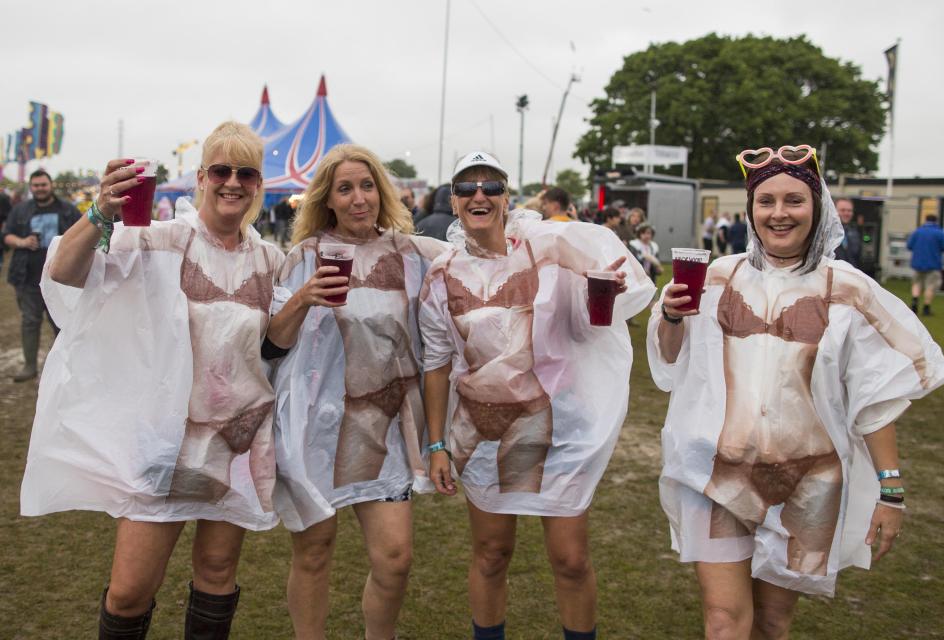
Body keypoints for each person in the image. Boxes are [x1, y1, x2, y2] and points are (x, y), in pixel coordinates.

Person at [647, 144, 944, 639]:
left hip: (808, 482)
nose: (779, 213)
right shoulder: (715, 277)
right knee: (724, 619)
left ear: (818, 207)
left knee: (773, 622)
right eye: (765, 201)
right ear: (750, 211)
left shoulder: (848, 288)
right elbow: (670, 359)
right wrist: (669, 316)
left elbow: (875, 397)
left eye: (794, 200)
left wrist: (891, 492)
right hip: (718, 474)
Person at [20, 122, 285, 638]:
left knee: (215, 576)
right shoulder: (158, 241)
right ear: (202, 178)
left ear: (258, 186)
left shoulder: (269, 259)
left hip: (235, 441)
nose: (234, 182)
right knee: (130, 591)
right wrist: (100, 212)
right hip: (165, 442)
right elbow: (68, 274)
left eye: (246, 173)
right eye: (222, 170)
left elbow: (276, 341)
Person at [420, 151, 655, 640]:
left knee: (570, 559)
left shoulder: (547, 247)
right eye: (466, 187)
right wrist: (438, 443)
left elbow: (601, 307)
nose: (478, 195)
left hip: (557, 428)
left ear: (508, 197)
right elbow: (437, 363)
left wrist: (607, 287)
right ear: (454, 200)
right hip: (481, 434)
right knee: (491, 555)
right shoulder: (441, 274)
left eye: (490, 186)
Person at [268, 143, 448, 640]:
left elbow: (477, 262)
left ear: (381, 192)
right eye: (344, 188)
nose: (358, 198)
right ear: (327, 199)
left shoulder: (413, 255)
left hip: (383, 430)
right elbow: (273, 343)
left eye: (366, 185)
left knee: (395, 559)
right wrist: (303, 299)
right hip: (313, 428)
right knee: (314, 549)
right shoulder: (302, 258)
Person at [2, 169, 81, 382]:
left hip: (61, 279)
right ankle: (29, 366)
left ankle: (67, 366)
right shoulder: (20, 210)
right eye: (36, 185)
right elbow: (6, 235)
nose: (40, 188)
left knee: (63, 322)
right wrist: (22, 242)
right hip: (27, 277)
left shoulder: (68, 210)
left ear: (50, 185)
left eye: (43, 184)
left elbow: (83, 234)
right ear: (31, 187)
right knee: (30, 321)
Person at [907, 213, 944, 316]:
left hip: (917, 263)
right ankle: (926, 307)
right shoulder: (939, 233)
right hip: (933, 264)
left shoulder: (918, 231)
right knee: (930, 286)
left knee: (917, 283)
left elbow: (909, 245)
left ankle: (914, 302)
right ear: (935, 221)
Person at [833, 197, 862, 269]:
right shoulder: (825, 233)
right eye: (842, 210)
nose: (846, 213)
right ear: (834, 211)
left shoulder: (854, 233)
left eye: (849, 211)